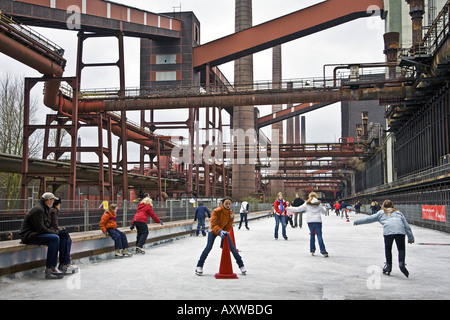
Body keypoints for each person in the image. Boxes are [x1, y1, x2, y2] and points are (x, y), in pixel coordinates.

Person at [353, 199, 414, 277]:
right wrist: (410, 237)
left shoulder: (381, 213)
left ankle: (388, 266)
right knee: (401, 249)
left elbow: (369, 219)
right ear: (392, 205)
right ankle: (401, 264)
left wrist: (357, 222)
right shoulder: (398, 213)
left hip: (388, 232)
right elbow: (406, 226)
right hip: (400, 231)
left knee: (388, 249)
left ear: (383, 206)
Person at [195, 197, 246, 276]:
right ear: (223, 204)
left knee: (232, 248)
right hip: (213, 231)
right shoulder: (216, 211)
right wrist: (220, 231)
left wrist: (225, 232)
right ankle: (199, 266)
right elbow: (213, 224)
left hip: (223, 231)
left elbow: (229, 225)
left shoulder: (231, 214)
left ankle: (241, 265)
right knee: (208, 247)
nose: (228, 205)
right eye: (226, 203)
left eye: (229, 204)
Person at [19, 192, 65, 279]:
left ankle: (64, 263)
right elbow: (41, 229)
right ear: (48, 200)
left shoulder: (44, 209)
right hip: (29, 236)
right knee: (54, 239)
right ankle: (50, 268)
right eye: (52, 200)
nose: (53, 202)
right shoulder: (39, 210)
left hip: (34, 234)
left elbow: (46, 226)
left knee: (60, 237)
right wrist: (56, 233)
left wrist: (57, 231)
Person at [289, 192, 328, 257]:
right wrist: (325, 211)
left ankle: (312, 250)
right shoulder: (318, 204)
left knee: (312, 235)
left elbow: (298, 209)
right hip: (318, 221)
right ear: (316, 196)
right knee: (319, 235)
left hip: (310, 221)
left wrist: (289, 208)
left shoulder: (307, 203)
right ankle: (323, 251)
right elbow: (323, 212)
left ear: (309, 197)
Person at [49, 197, 79, 274]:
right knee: (66, 238)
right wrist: (60, 230)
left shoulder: (52, 212)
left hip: (50, 231)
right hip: (49, 233)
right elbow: (53, 226)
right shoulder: (53, 212)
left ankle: (65, 262)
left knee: (66, 238)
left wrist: (59, 229)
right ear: (57, 205)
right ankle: (65, 263)